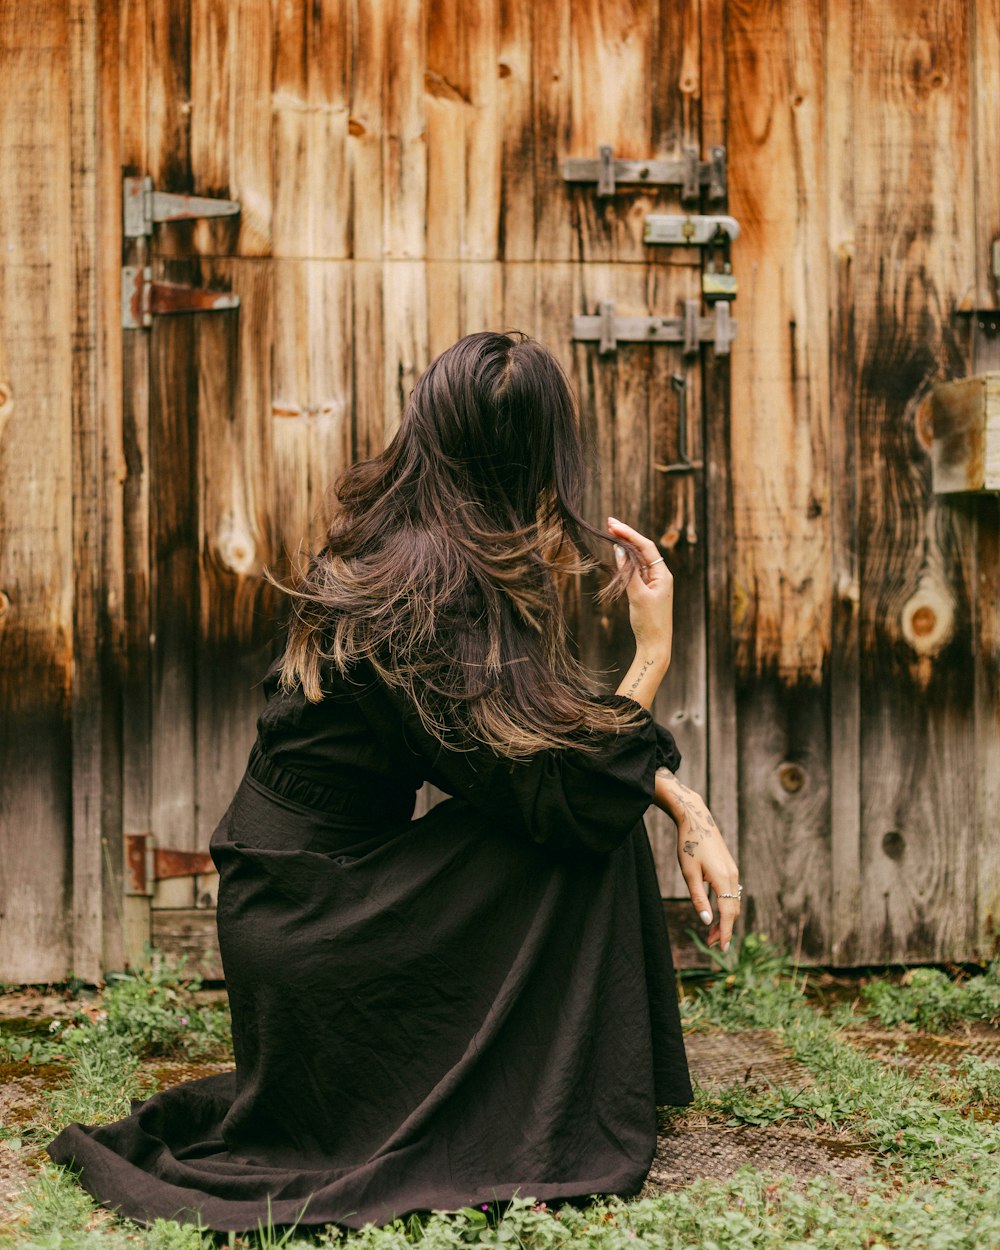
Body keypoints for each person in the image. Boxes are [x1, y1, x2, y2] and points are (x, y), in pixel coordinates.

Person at [47, 331, 741, 1233]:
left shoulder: (421, 549)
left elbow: (543, 738)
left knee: (590, 810)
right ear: (539, 455)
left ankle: (586, 1085)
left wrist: (683, 804)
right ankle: (571, 1100)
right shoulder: (427, 586)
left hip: (307, 887)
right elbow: (566, 791)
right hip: (313, 914)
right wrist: (652, 651)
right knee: (584, 830)